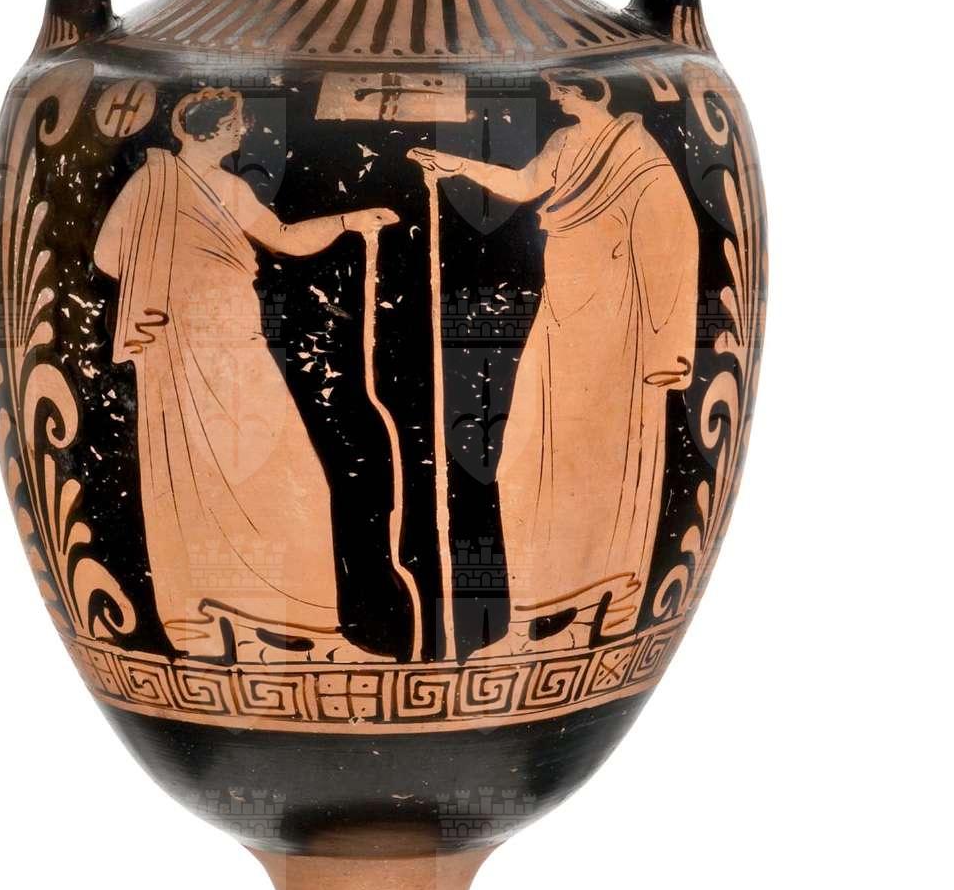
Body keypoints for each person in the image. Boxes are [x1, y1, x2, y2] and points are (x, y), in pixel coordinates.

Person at [95, 88, 396, 661]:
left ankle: (307, 629)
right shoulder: (153, 183)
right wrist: (162, 284)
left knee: (291, 480)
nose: (241, 135)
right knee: (196, 480)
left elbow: (284, 238)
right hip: (183, 346)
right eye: (235, 126)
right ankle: (211, 622)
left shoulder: (229, 188)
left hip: (236, 341)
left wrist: (348, 220)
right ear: (209, 130)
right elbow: (109, 256)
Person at [410, 75, 698, 649]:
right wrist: (456, 165)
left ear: (593, 92)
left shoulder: (639, 153)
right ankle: (533, 614)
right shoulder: (564, 143)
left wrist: (666, 344)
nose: (554, 98)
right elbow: (523, 184)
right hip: (561, 307)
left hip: (615, 322)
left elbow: (676, 235)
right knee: (528, 457)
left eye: (563, 91)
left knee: (603, 456)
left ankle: (610, 606)